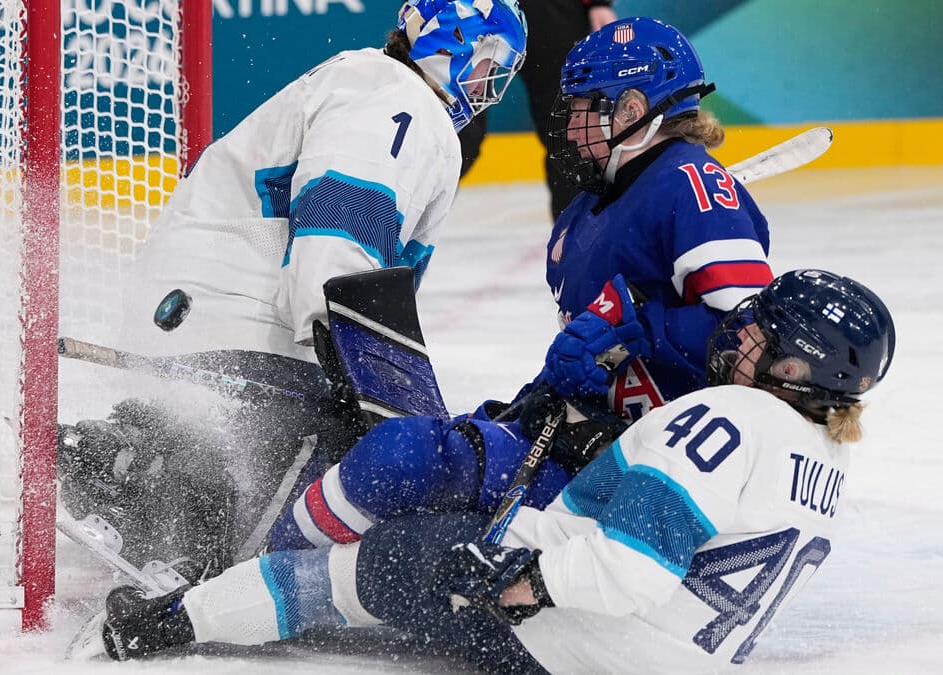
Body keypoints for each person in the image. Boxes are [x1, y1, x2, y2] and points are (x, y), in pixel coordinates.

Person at [71, 268, 897, 673]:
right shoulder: (822, 455)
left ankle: (158, 624)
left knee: (356, 570)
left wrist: (526, 581)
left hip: (578, 637)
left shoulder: (725, 415)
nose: (743, 333)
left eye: (766, 336)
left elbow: (631, 567)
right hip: (662, 656)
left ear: (799, 367)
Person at [261, 16, 775, 551]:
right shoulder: (581, 218)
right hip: (593, 444)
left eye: (585, 108)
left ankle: (263, 569)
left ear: (632, 111)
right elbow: (598, 357)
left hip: (664, 477)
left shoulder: (695, 184)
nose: (572, 127)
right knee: (405, 514)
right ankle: (285, 573)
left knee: (403, 460)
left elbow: (754, 346)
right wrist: (552, 389)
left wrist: (639, 321)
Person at [56, 0, 528, 576]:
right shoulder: (400, 102)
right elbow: (337, 238)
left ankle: (131, 456)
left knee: (332, 487)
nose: (488, 84)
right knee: (320, 519)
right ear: (453, 44)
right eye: (488, 61)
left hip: (206, 319)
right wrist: (377, 400)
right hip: (237, 326)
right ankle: (141, 474)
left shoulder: (371, 84)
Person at [459, 0, 618, 219]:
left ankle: (573, 239)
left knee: (571, 135)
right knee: (457, 131)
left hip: (551, 14)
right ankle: (403, 221)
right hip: (465, 10)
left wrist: (597, 3)